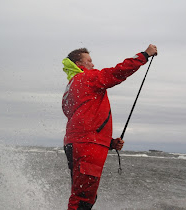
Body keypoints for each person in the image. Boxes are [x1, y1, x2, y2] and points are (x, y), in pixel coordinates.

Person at [62, 44, 158, 210]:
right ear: (79, 65)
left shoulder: (71, 87)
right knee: (83, 198)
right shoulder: (87, 78)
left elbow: (81, 118)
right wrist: (144, 55)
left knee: (85, 195)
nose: (93, 64)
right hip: (88, 146)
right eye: (89, 61)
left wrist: (109, 142)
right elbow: (117, 72)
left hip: (78, 144)